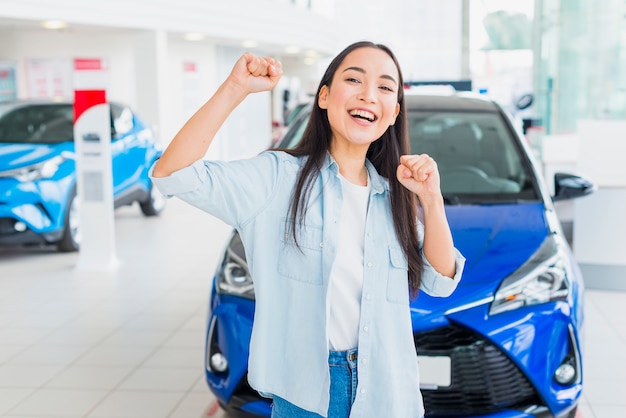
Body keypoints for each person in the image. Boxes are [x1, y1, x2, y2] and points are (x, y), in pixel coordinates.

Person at [151, 41, 465, 418]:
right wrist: (234, 88)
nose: (368, 95)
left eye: (384, 87)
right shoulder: (277, 179)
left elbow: (441, 280)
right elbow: (173, 174)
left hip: (387, 393)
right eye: (354, 79)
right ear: (324, 95)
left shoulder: (393, 195)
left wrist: (431, 200)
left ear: (394, 112)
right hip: (308, 397)